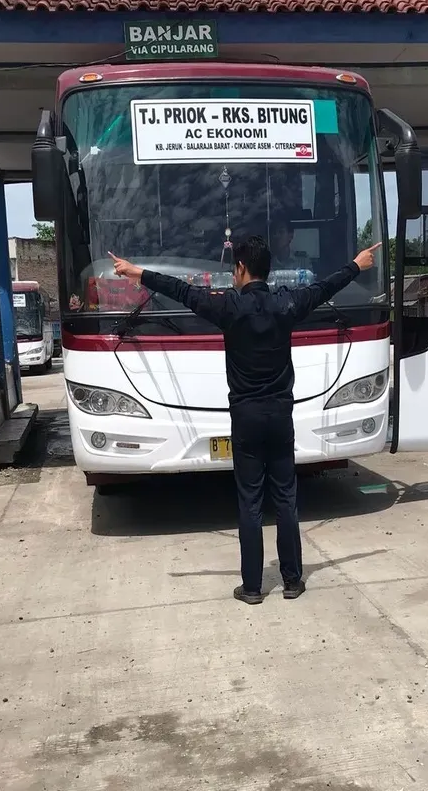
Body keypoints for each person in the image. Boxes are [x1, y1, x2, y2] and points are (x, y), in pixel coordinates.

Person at [111, 236, 379, 605]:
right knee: (286, 498)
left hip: (246, 418)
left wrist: (136, 272)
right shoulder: (287, 302)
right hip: (281, 416)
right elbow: (323, 288)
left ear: (240, 268)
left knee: (250, 501)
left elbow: (180, 291)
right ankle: (291, 581)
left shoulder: (228, 308)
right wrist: (355, 264)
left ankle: (252, 587)